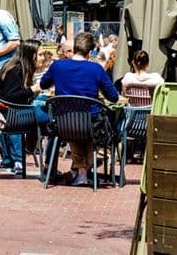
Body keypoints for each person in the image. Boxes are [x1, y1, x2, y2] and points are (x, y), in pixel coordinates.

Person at [39, 31, 119, 186]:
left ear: (74, 48)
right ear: (90, 52)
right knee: (89, 123)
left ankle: (80, 170)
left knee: (75, 125)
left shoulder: (57, 66)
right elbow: (114, 97)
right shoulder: (95, 69)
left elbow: (43, 84)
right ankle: (84, 170)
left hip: (63, 124)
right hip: (91, 124)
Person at [0, 39, 50, 175]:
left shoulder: (16, 66)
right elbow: (11, 97)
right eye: (40, 54)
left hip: (6, 113)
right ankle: (32, 157)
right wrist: (33, 89)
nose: (43, 57)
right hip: (12, 114)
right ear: (32, 55)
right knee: (52, 117)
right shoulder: (17, 70)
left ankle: (16, 156)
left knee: (42, 111)